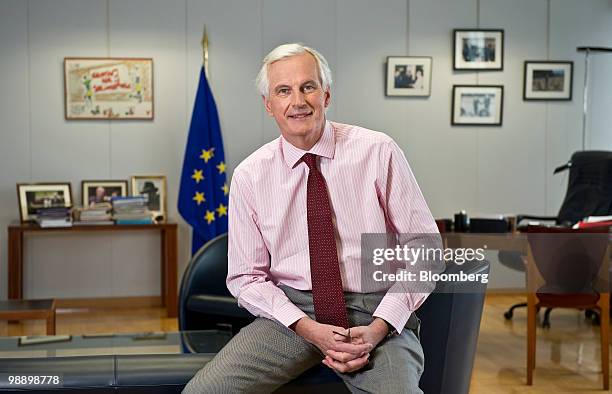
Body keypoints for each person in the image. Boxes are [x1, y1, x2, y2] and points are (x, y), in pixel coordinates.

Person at [183, 43, 442, 394]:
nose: (298, 101)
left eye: (308, 87)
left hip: (374, 306)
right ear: (269, 105)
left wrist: (383, 324)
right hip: (292, 312)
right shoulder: (250, 176)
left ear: (327, 95)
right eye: (283, 91)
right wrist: (306, 326)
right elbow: (246, 276)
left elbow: (425, 247)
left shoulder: (378, 151)